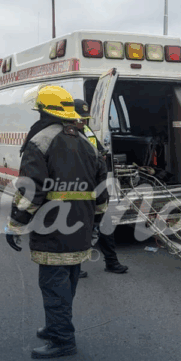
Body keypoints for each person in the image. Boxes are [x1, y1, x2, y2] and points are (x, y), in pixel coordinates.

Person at [5, 86, 108, 359]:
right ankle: (56, 327)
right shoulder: (87, 141)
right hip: (81, 225)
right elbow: (102, 190)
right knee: (68, 279)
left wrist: (15, 225)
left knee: (53, 283)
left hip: (52, 225)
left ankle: (63, 340)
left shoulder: (40, 140)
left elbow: (30, 190)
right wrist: (96, 222)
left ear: (41, 110)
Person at [72, 98, 128, 278]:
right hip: (80, 190)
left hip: (97, 187)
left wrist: (102, 156)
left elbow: (100, 150)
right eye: (79, 118)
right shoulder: (66, 135)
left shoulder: (86, 131)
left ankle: (111, 262)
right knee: (79, 230)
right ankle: (75, 266)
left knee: (106, 225)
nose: (83, 122)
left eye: (84, 118)